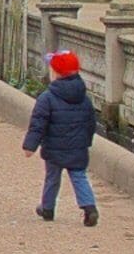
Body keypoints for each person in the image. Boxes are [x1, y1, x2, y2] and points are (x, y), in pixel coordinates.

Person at [23, 48, 99, 225]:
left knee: (52, 178)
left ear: (55, 73)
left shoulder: (47, 98)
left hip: (54, 148)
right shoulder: (84, 98)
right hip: (78, 147)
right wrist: (86, 141)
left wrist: (30, 146)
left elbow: (38, 123)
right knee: (79, 176)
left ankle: (47, 208)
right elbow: (90, 123)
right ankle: (89, 207)